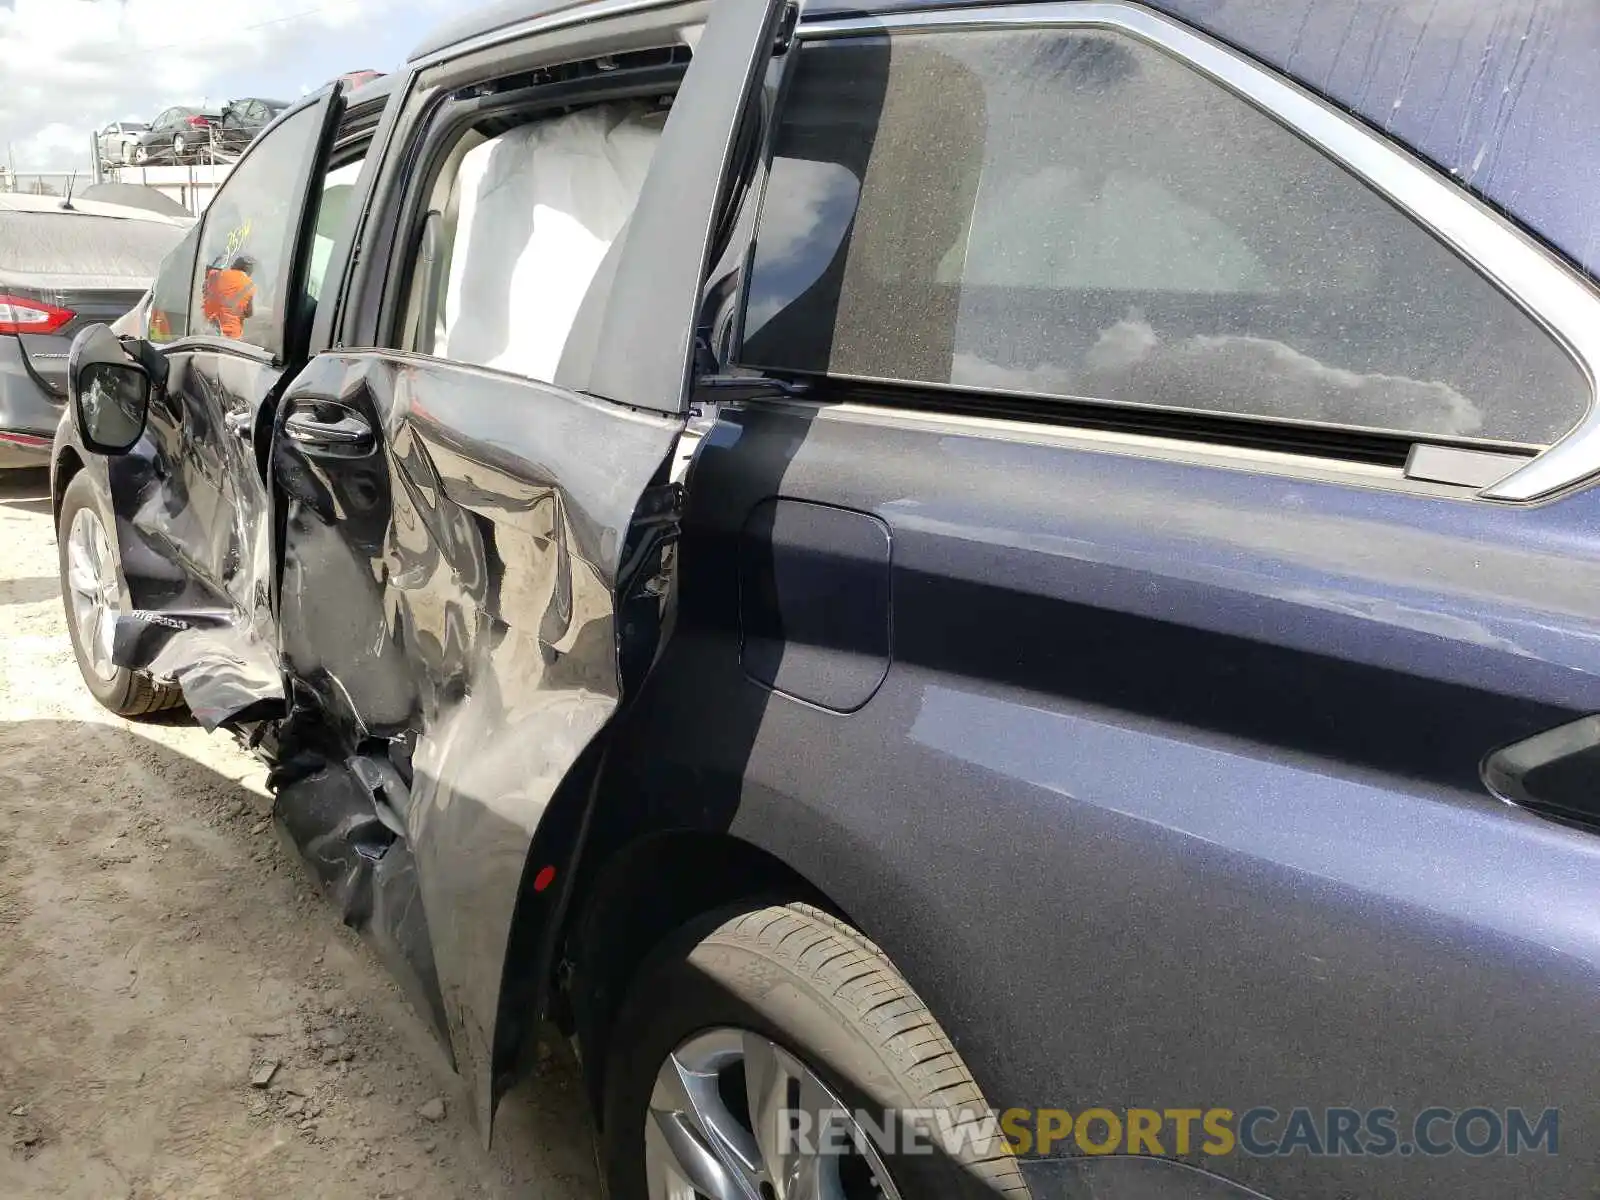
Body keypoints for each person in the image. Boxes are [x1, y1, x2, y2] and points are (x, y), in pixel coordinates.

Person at [202, 253, 257, 340]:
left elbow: (205, 289)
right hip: (232, 335)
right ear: (249, 271)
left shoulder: (214, 275)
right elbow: (249, 313)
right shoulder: (249, 285)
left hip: (209, 329)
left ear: (233, 266)